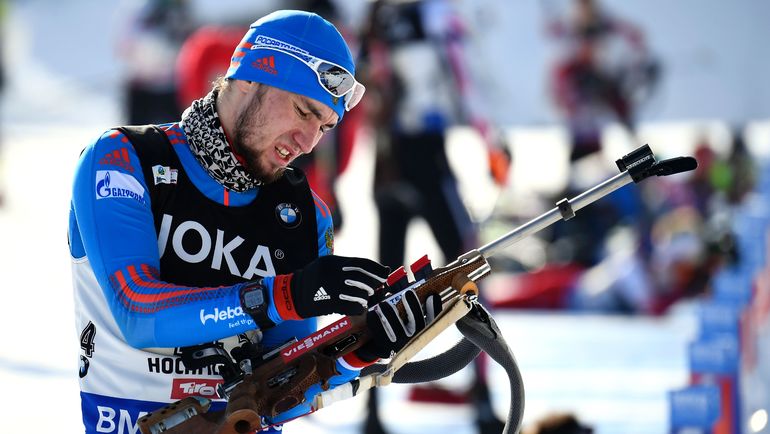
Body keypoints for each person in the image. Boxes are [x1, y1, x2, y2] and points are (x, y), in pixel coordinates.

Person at [69, 10, 441, 434]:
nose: (308, 143)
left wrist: (361, 346)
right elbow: (137, 313)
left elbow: (284, 388)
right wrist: (282, 295)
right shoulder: (122, 160)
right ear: (248, 77)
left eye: (325, 127)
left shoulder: (306, 215)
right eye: (303, 111)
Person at [356, 1, 509, 434]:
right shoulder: (430, 15)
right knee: (469, 273)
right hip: (422, 161)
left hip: (387, 166)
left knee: (382, 290)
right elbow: (464, 78)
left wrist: (331, 182)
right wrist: (492, 142)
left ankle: (372, 407)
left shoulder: (379, 18)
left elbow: (352, 99)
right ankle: (481, 400)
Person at [546, 0, 658, 162]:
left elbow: (634, 35)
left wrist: (640, 60)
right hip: (582, 101)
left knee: (622, 114)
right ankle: (585, 159)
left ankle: (643, 157)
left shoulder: (605, 22)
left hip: (601, 77)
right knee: (584, 127)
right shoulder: (569, 30)